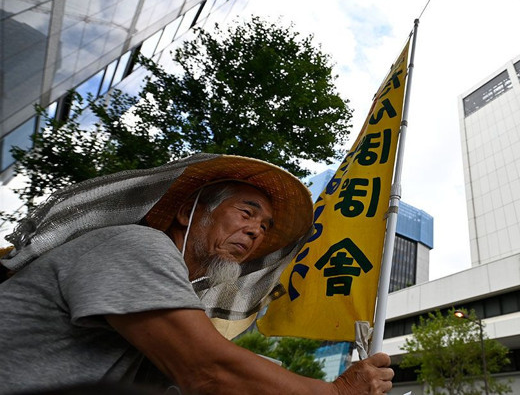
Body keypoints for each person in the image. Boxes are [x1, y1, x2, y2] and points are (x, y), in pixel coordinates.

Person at [0, 154, 394, 394]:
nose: (257, 231)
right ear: (189, 213)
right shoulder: (139, 245)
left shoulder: (176, 291)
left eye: (266, 226)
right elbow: (209, 372)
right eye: (247, 212)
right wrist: (339, 392)